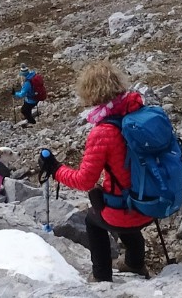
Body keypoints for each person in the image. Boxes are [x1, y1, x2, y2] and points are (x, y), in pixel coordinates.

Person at [37, 60, 151, 281]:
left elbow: (85, 181)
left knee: (93, 219)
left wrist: (56, 169)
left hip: (129, 209)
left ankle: (101, 277)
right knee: (121, 201)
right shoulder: (140, 114)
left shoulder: (103, 132)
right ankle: (135, 263)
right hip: (151, 203)